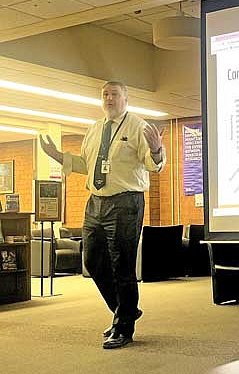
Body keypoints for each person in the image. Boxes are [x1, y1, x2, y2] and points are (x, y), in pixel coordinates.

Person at [39, 81, 165, 349]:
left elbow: (153, 165)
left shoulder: (138, 126)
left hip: (126, 201)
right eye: (105, 94)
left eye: (115, 94)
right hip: (95, 201)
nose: (109, 98)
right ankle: (124, 309)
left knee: (123, 265)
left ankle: (124, 327)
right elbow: (88, 165)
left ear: (126, 99)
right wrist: (58, 156)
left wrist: (156, 150)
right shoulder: (95, 129)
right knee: (92, 260)